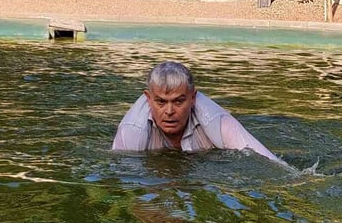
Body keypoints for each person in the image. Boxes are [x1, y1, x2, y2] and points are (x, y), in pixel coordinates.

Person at [112, 61, 282, 163]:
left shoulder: (217, 122)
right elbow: (120, 176)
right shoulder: (131, 130)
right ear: (148, 99)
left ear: (193, 98)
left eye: (178, 101)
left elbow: (266, 160)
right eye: (161, 102)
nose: (169, 111)